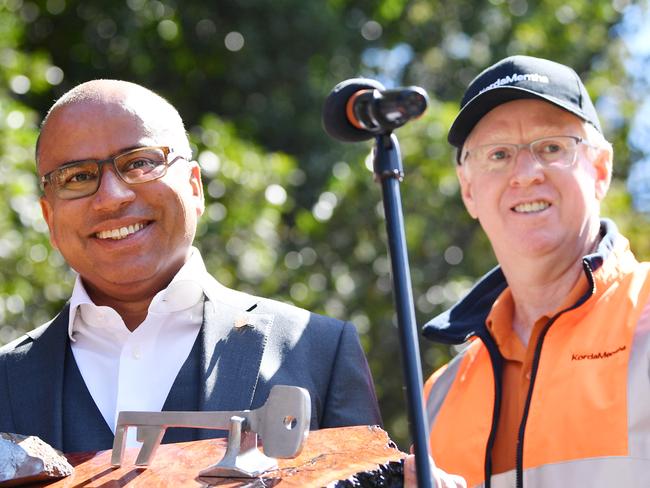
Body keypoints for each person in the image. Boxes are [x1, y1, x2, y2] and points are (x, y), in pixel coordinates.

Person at [0, 80, 381, 453]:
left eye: (140, 163)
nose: (111, 197)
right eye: (78, 176)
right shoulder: (6, 380)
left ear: (195, 186)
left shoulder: (320, 352)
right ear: (49, 219)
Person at [407, 55, 650, 487]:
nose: (525, 174)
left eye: (551, 147)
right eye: (498, 154)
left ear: (600, 170)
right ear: (469, 191)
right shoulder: (438, 397)